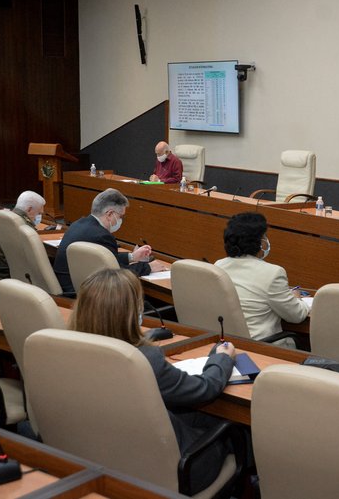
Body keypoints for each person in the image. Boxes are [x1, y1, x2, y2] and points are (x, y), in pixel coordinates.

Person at [69, 268, 236, 494]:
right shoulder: (144, 360)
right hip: (178, 471)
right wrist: (222, 359)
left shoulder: (69, 349)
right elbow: (205, 389)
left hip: (100, 456)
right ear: (128, 312)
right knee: (234, 429)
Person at [215, 212, 309, 347]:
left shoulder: (219, 265)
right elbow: (296, 316)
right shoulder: (274, 273)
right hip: (262, 346)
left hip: (227, 342)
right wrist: (297, 299)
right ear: (259, 242)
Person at [53, 187, 153, 293]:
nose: (121, 221)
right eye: (121, 216)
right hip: (81, 296)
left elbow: (105, 259)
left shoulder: (78, 224)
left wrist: (132, 257)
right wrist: (148, 267)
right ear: (110, 214)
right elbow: (117, 274)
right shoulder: (102, 236)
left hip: (68, 287)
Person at [0, 190, 46, 278]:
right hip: (15, 276)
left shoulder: (6, 218)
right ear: (29, 209)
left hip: (1, 271)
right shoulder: (24, 227)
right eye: (39, 213)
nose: (39, 216)